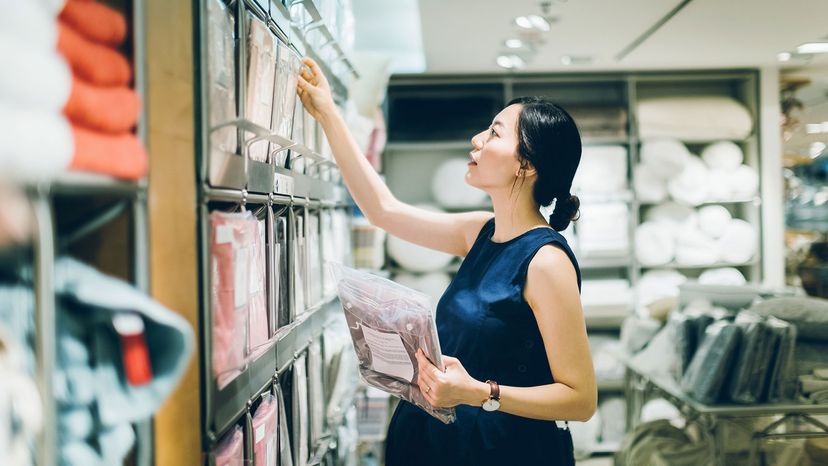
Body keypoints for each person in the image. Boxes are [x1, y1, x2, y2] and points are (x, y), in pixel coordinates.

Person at [297, 57, 596, 466]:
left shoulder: (545, 261)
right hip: (439, 440)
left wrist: (480, 392)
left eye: (493, 133)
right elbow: (382, 210)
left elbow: (580, 399)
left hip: (504, 451)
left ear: (525, 165)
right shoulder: (480, 232)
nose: (476, 139)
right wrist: (327, 113)